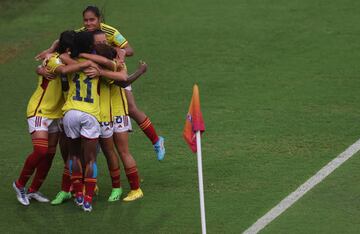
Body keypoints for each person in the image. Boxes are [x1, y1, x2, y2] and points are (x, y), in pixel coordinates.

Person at [36, 5, 165, 160]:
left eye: (92, 20)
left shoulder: (110, 32)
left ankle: (157, 141)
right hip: (94, 77)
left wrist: (117, 51)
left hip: (113, 72)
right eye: (86, 20)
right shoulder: (81, 33)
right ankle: (86, 168)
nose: (89, 23)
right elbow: (62, 42)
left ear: (99, 20)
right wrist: (49, 52)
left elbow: (129, 50)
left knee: (131, 108)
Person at [12, 31, 97, 206]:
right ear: (68, 48)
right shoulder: (52, 60)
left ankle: (33, 190)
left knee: (49, 155)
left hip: (57, 113)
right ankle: (19, 184)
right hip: (40, 110)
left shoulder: (67, 59)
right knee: (41, 151)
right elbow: (63, 70)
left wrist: (53, 49)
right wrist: (85, 63)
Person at [81, 34, 148, 201]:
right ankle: (115, 188)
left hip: (116, 112)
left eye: (105, 41)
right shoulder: (107, 61)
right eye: (100, 42)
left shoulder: (108, 62)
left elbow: (123, 81)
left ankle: (133, 188)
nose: (105, 43)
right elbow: (124, 79)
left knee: (120, 151)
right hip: (104, 113)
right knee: (107, 152)